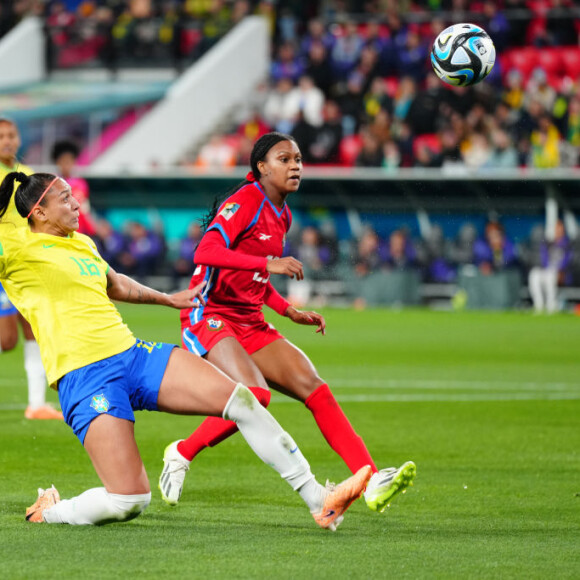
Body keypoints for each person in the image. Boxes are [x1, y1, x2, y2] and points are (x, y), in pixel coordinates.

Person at [0, 170, 371, 530]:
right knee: (129, 501)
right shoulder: (17, 251)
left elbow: (116, 285)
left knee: (242, 400)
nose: (77, 204)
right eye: (66, 198)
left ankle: (318, 500)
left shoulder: (81, 242)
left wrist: (167, 299)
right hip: (86, 377)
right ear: (40, 212)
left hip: (132, 355)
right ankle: (50, 511)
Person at [159, 132, 416, 513]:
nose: (295, 165)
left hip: (250, 319)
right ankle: (181, 452)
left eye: (297, 159)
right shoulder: (244, 201)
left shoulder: (283, 213)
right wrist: (268, 263)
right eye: (284, 159)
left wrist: (286, 310)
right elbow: (207, 250)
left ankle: (372, 479)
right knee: (256, 394)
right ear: (261, 167)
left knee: (316, 388)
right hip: (209, 314)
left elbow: (254, 280)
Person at [0, 118, 61, 420]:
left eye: (11, 135)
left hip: (24, 264)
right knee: (6, 340)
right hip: (2, 265)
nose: (7, 141)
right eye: (1, 137)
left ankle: (36, 403)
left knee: (32, 329)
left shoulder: (26, 176)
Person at [51, 140, 96, 236]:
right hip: (59, 230)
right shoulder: (52, 182)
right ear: (58, 162)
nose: (67, 165)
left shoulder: (81, 184)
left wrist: (92, 228)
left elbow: (84, 208)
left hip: (78, 231)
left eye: (69, 161)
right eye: (64, 161)